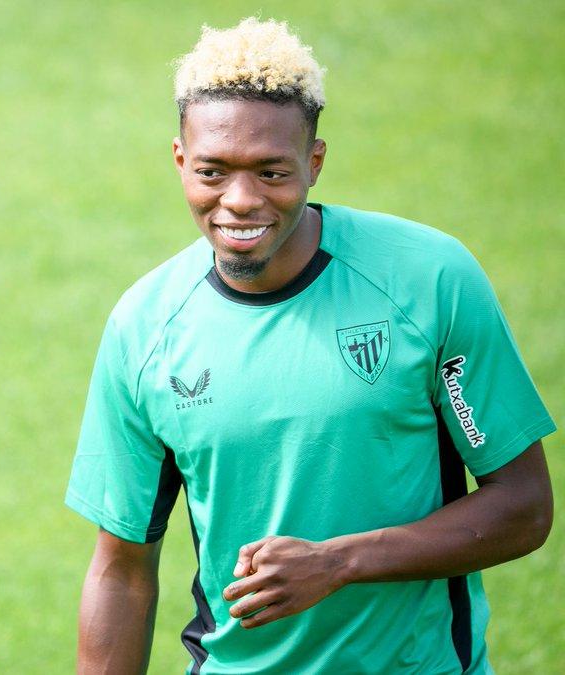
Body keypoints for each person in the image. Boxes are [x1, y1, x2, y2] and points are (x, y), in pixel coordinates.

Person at [66, 18, 554, 674]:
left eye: (271, 172)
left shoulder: (429, 281)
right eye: (212, 171)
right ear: (181, 160)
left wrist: (340, 561)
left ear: (314, 162)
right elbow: (121, 569)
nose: (239, 201)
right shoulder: (143, 328)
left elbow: (523, 507)